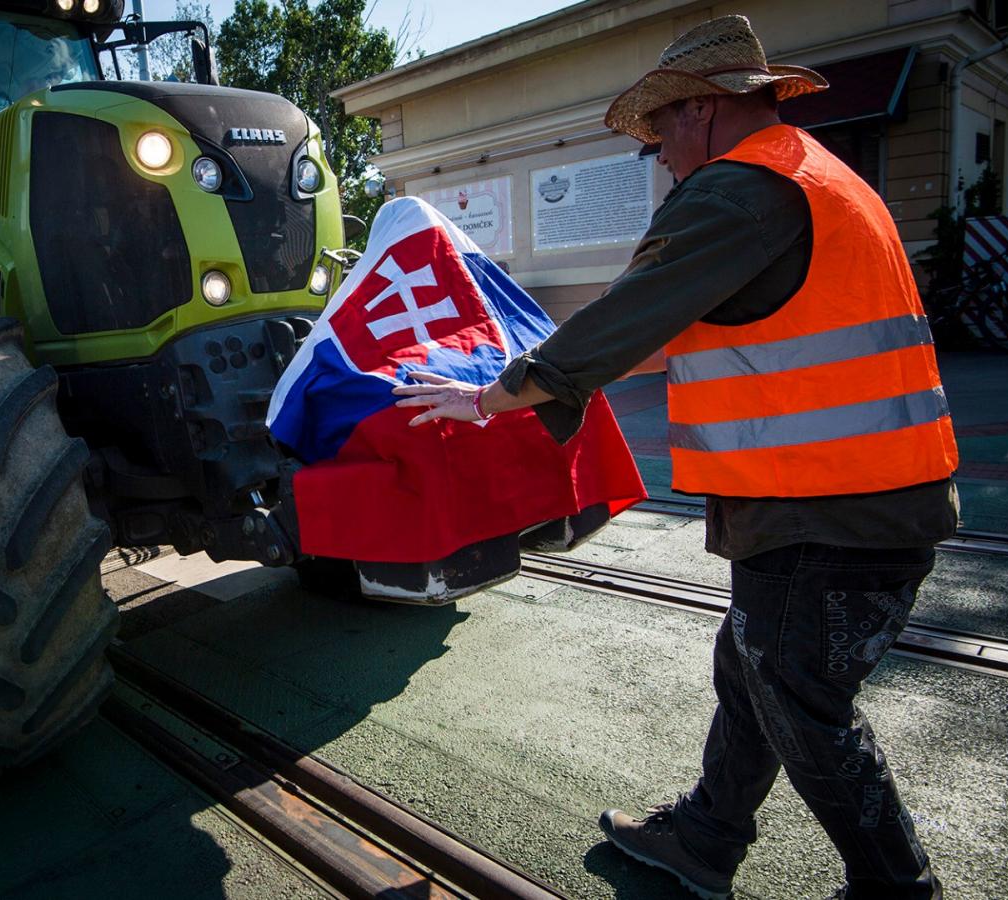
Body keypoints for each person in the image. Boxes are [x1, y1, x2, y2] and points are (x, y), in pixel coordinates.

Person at [394, 15, 956, 900]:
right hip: (851, 495)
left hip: (828, 503)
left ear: (702, 109)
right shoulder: (818, 177)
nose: (657, 154)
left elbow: (627, 317)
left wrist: (487, 397)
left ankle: (898, 886)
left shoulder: (740, 191)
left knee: (798, 702)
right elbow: (677, 332)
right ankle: (706, 836)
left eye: (659, 131)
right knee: (755, 671)